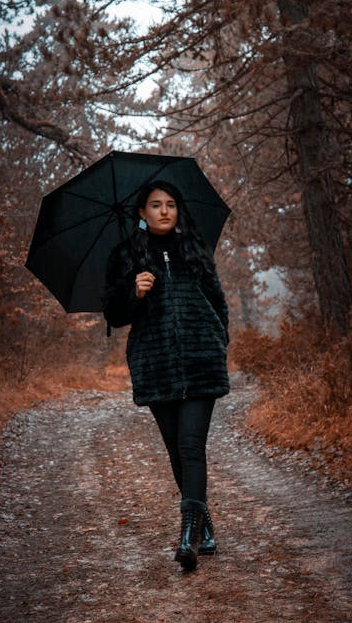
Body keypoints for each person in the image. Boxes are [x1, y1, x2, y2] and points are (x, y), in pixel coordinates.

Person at [102, 180, 230, 571]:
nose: (164, 211)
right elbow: (114, 315)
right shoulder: (125, 256)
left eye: (171, 204)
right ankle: (203, 523)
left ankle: (187, 535)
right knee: (177, 449)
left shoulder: (194, 248)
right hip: (155, 365)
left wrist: (219, 338)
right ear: (141, 212)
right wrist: (133, 292)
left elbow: (217, 300)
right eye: (155, 205)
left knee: (191, 446)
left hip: (200, 360)